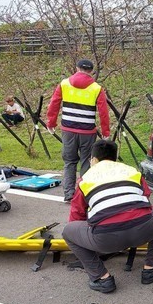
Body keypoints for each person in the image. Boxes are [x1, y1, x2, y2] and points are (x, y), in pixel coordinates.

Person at [62, 139, 153, 293]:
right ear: (114, 157)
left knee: (68, 231)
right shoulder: (131, 171)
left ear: (93, 159)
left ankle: (102, 278)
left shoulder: (85, 179)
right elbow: (145, 199)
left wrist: (85, 243)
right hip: (144, 231)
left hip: (106, 240)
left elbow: (77, 214)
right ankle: (150, 268)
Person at [46, 59, 110, 202]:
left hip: (68, 130)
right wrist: (105, 131)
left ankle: (69, 194)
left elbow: (54, 104)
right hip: (88, 132)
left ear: (76, 68)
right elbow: (103, 112)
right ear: (91, 71)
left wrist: (51, 122)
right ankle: (83, 195)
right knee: (87, 161)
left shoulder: (64, 84)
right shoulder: (96, 88)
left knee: (69, 162)